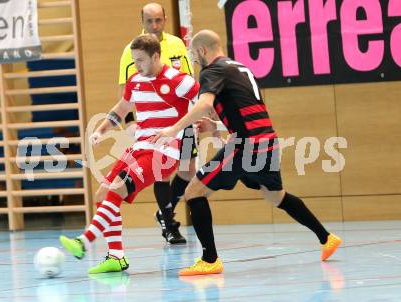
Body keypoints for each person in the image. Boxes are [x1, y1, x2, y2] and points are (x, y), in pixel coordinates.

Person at [152, 29, 342, 276]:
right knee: (276, 196)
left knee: (193, 192)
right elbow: (244, 109)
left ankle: (210, 260)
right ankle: (326, 238)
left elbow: (205, 104)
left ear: (202, 50)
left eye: (195, 56)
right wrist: (216, 126)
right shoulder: (242, 68)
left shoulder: (213, 70)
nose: (196, 61)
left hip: (247, 144)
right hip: (268, 141)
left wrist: (173, 128)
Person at [60, 34, 199, 274]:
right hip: (140, 147)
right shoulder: (135, 80)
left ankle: (84, 241)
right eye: (134, 60)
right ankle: (116, 256)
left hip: (165, 151)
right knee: (103, 193)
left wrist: (208, 122)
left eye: (141, 60)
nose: (136, 66)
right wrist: (102, 130)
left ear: (156, 56)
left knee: (116, 189)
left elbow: (207, 101)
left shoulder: (178, 80)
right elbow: (122, 108)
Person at [94, 2, 196, 244]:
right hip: (154, 124)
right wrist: (129, 123)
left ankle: (163, 212)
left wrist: (199, 114)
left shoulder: (176, 44)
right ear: (142, 21)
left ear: (165, 19)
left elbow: (190, 80)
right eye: (149, 21)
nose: (154, 25)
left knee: (188, 170)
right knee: (159, 172)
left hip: (183, 118)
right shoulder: (132, 49)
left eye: (158, 20)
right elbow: (126, 93)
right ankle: (169, 224)